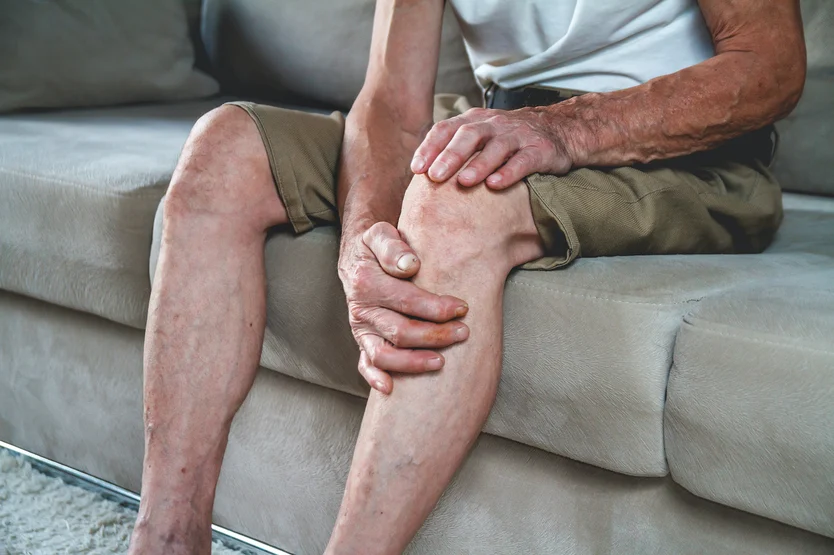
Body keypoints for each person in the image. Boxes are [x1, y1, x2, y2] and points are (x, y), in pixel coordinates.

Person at [128, 0, 806, 553]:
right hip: (506, 120)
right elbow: (393, 100)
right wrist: (366, 242)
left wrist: (565, 130)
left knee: (455, 198)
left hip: (687, 151)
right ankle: (167, 537)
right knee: (224, 148)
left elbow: (771, 66)